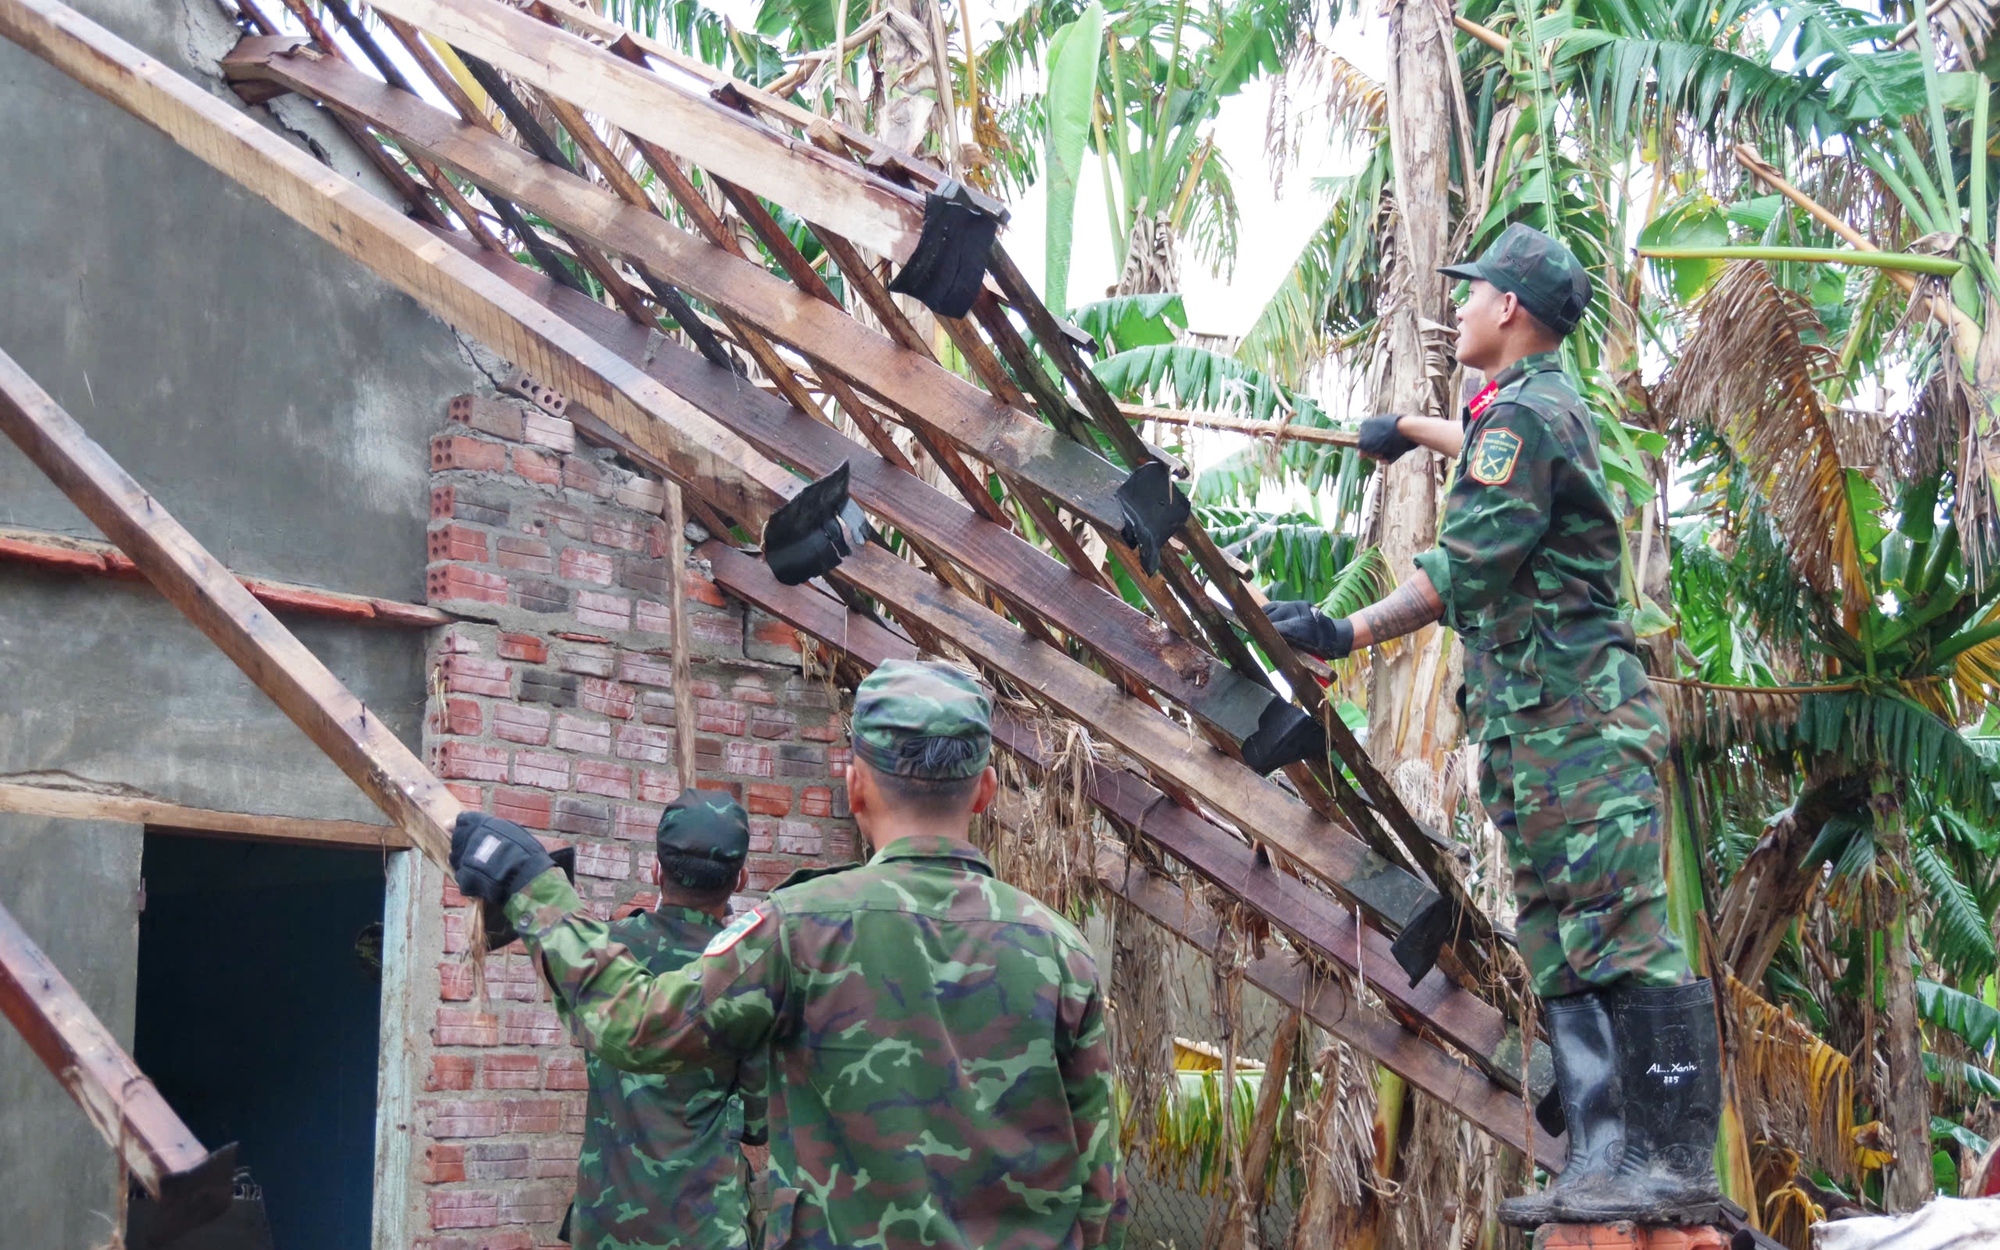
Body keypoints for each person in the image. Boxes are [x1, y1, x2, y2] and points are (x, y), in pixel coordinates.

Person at [1262, 222, 1721, 1229]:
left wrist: (1342, 627)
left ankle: (1669, 1160)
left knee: (1621, 930)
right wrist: (1408, 427)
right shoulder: (1525, 411)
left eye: (1470, 294)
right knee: (1559, 939)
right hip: (1540, 731)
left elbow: (1465, 562)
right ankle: (1603, 1156)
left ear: (1508, 308)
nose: (1458, 307)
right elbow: (1485, 449)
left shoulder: (1525, 417)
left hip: (1576, 725)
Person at [449, 659, 1128, 1250]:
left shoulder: (799, 928)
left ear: (854, 784)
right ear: (984, 791)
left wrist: (534, 889)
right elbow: (1101, 1186)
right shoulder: (1061, 950)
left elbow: (633, 1027)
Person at [554, 789, 767, 1249]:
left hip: (606, 1223)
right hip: (705, 1229)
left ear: (655, 869)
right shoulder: (748, 973)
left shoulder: (605, 952)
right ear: (740, 878)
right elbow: (759, 1120)